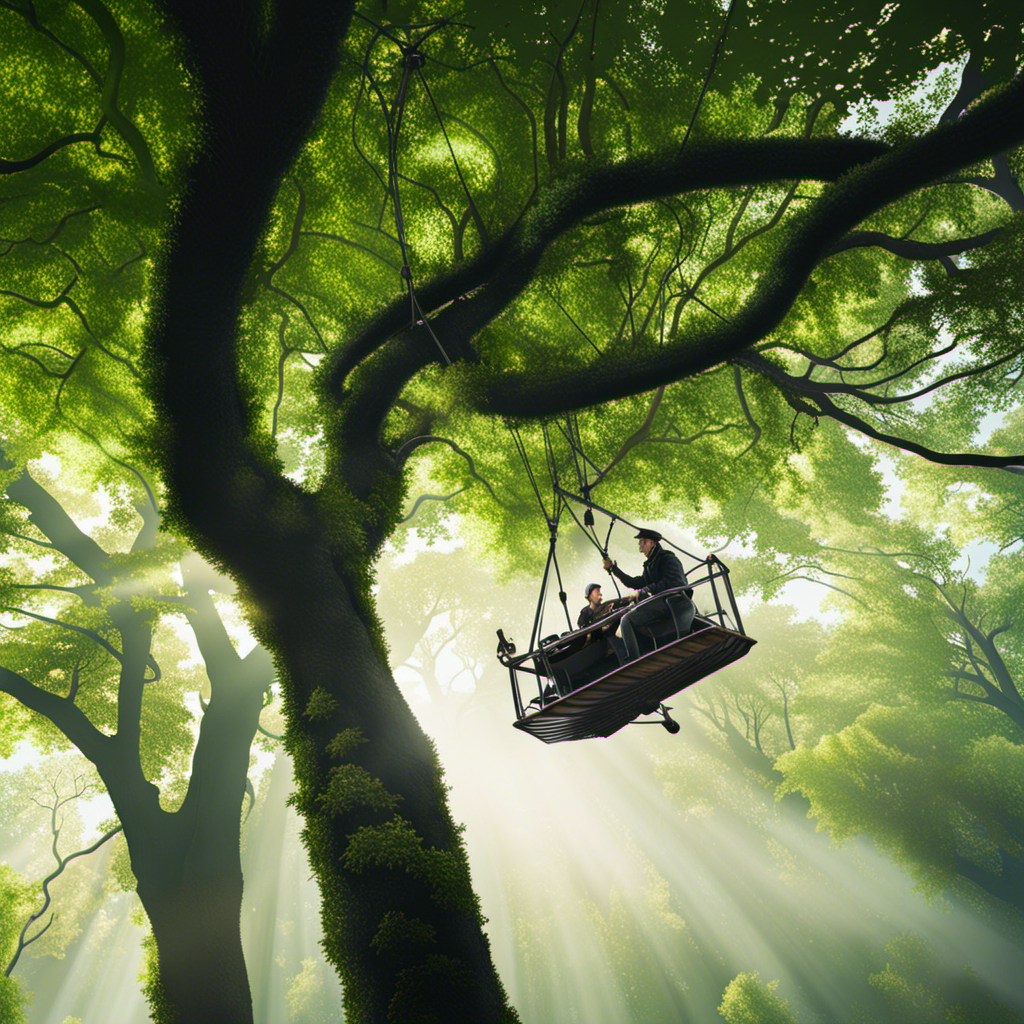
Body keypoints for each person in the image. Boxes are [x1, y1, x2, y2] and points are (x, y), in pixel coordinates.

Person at [602, 528, 692, 661]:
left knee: (627, 620)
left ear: (651, 543)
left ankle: (633, 660)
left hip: (673, 603)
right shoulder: (650, 564)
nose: (639, 546)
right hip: (662, 602)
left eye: (642, 542)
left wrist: (647, 590)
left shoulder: (667, 558)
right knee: (625, 613)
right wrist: (613, 568)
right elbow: (635, 582)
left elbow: (677, 582)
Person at [577, 583, 627, 663]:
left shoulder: (606, 607)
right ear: (589, 596)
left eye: (599, 592)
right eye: (597, 592)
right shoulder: (585, 613)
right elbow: (582, 626)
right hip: (596, 640)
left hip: (610, 635)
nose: (600, 594)